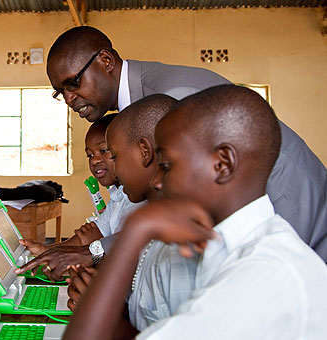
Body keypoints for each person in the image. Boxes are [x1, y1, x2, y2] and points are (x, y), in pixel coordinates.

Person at [63, 85, 327, 340]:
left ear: (222, 164)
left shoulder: (268, 273)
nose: (157, 181)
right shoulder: (219, 244)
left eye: (166, 165)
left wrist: (135, 230)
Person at [46, 26, 327, 262]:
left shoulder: (173, 99)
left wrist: (94, 253)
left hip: (295, 219)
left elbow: (180, 209)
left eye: (73, 82)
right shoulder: (141, 105)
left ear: (106, 61)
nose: (70, 99)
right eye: (61, 92)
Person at [67, 94, 200, 337]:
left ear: (144, 152)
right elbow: (145, 314)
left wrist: (107, 321)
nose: (113, 169)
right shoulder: (156, 228)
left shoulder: (181, 251)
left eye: (114, 156)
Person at [16, 113, 141, 280]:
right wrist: (47, 252)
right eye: (89, 155)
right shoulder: (118, 196)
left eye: (103, 150)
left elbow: (125, 251)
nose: (95, 160)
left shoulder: (140, 199)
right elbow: (92, 233)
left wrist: (89, 255)